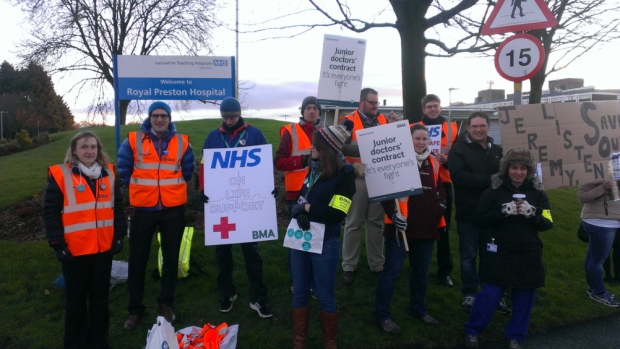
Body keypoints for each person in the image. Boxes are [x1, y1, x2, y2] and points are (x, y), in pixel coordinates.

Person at [43, 131, 126, 349]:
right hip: (74, 253)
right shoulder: (61, 175)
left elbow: (117, 208)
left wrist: (119, 235)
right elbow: (50, 213)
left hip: (102, 251)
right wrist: (57, 245)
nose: (89, 151)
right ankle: (75, 343)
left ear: (98, 150)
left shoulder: (108, 173)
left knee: (100, 301)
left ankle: (99, 342)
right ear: (74, 151)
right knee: (76, 302)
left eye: (93, 147)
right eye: (84, 147)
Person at [463, 149, 553, 349]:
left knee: (524, 298)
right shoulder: (493, 191)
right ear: (507, 169)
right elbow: (480, 219)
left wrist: (533, 214)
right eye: (514, 167)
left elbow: (548, 222)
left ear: (528, 170)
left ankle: (515, 336)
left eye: (523, 168)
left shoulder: (538, 193)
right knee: (490, 296)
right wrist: (501, 212)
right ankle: (472, 331)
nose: (518, 172)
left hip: (528, 252)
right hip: (498, 252)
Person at [117, 101, 195, 330]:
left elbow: (187, 171)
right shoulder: (133, 141)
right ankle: (135, 309)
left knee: (171, 259)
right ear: (149, 118)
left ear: (169, 119)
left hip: (172, 209)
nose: (160, 119)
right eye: (155, 116)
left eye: (164, 116)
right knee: (137, 260)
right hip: (143, 209)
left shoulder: (182, 143)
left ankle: (165, 303)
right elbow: (124, 170)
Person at [200, 96, 274, 318]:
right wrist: (203, 190)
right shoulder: (213, 137)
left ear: (239, 114)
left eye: (232, 116)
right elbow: (204, 166)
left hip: (248, 206)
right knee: (223, 253)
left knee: (251, 252)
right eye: (225, 117)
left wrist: (269, 188)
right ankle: (227, 292)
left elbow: (263, 165)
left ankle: (257, 297)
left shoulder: (254, 134)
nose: (229, 120)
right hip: (223, 207)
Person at [290, 123, 356, 349]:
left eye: (316, 145)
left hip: (326, 241)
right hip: (300, 238)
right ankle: (299, 341)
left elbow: (338, 212)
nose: (311, 148)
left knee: (325, 293)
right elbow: (301, 197)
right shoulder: (313, 168)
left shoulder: (345, 174)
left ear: (327, 148)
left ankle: (330, 342)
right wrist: (297, 211)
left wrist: (308, 210)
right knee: (299, 290)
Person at [375, 124, 446, 334]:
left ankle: (418, 309)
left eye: (425, 139)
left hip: (426, 226)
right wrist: (393, 214)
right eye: (418, 138)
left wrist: (439, 208)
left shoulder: (433, 161)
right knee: (391, 272)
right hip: (401, 228)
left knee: (421, 272)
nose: (422, 142)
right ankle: (382, 315)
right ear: (409, 139)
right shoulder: (397, 159)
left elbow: (440, 188)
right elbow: (385, 191)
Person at [448, 111, 507, 313]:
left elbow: (505, 176)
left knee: (492, 256)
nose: (479, 129)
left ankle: (492, 293)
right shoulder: (458, 149)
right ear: (468, 128)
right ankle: (470, 294)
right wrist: (490, 180)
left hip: (493, 214)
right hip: (469, 213)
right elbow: (458, 176)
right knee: (468, 256)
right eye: (474, 126)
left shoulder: (497, 150)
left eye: (482, 126)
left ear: (488, 126)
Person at [340, 87, 398, 283]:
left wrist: (392, 127)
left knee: (376, 222)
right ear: (361, 103)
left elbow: (391, 143)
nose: (376, 106)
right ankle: (349, 265)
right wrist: (370, 145)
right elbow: (340, 145)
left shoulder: (382, 120)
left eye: (377, 103)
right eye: (372, 102)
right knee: (354, 222)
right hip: (357, 176)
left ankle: (377, 264)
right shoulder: (347, 120)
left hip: (379, 176)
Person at [275, 96, 322, 297]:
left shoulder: (325, 133)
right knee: (297, 240)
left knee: (317, 238)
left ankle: (313, 281)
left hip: (320, 193)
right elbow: (279, 162)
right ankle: (297, 281)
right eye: (308, 108)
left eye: (315, 108)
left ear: (320, 112)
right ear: (302, 111)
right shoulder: (290, 131)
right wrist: (303, 160)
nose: (311, 111)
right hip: (297, 194)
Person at [418, 94, 458, 287]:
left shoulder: (452, 128)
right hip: (420, 179)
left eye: (436, 106)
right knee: (416, 224)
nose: (433, 109)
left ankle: (444, 270)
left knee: (443, 226)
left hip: (443, 181)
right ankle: (416, 266)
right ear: (424, 110)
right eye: (429, 107)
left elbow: (459, 156)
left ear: (441, 108)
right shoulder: (413, 127)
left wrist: (447, 162)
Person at [579, 178, 620, 307]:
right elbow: (583, 197)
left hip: (610, 220)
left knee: (592, 256)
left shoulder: (616, 169)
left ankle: (593, 288)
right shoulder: (591, 171)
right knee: (597, 260)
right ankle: (599, 292)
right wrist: (603, 187)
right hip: (601, 222)